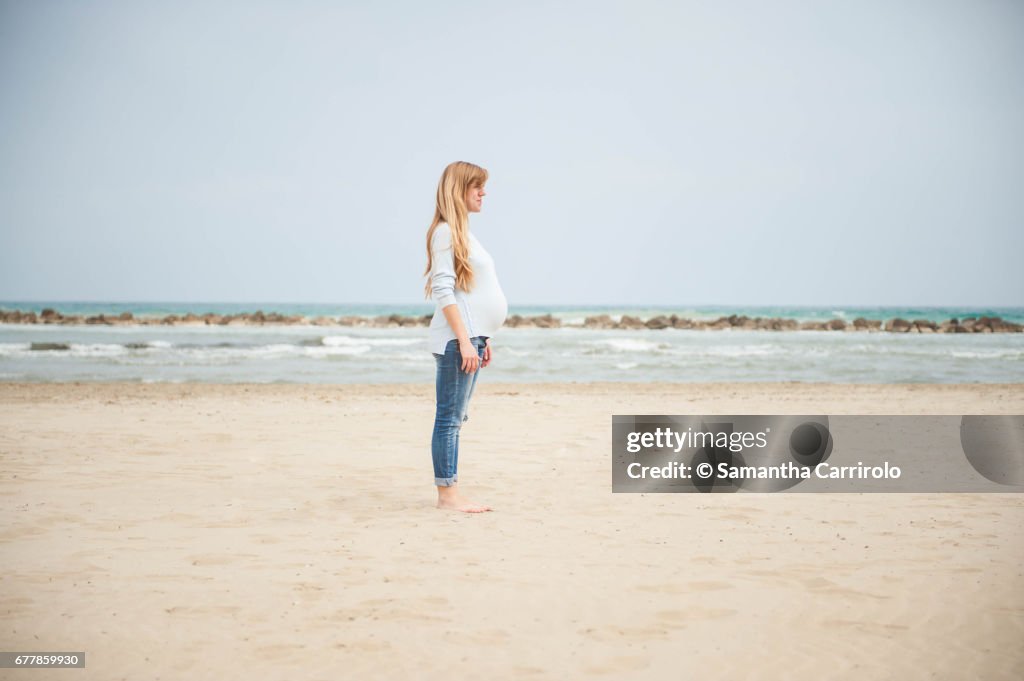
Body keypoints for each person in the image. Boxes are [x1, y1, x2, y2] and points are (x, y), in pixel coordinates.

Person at [423, 161, 508, 512]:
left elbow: (469, 293)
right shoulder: (445, 232)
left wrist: (482, 338)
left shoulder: (465, 234)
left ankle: (451, 492)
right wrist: (463, 340)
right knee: (449, 417)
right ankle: (448, 496)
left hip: (472, 338)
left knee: (457, 418)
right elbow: (444, 291)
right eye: (476, 186)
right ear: (459, 190)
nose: (483, 193)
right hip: (458, 340)